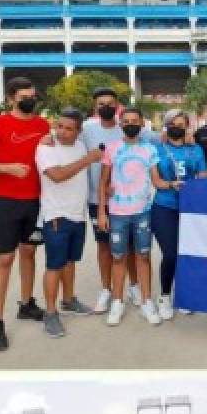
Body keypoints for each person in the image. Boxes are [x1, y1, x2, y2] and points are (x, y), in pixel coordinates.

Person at [0, 78, 50, 351]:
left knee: (29, 252)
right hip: (7, 201)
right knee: (5, 259)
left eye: (32, 95)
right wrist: (9, 168)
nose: (29, 100)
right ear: (11, 98)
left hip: (36, 201)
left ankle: (27, 303)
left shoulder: (43, 125)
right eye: (23, 96)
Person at [96, 106, 169, 327]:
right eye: (126, 120)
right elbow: (103, 182)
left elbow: (156, 180)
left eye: (134, 120)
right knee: (118, 258)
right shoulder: (112, 148)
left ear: (142, 124)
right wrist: (101, 212)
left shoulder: (149, 150)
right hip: (117, 213)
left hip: (143, 212)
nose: (130, 124)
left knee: (143, 257)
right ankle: (117, 301)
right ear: (120, 124)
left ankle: (147, 301)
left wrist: (175, 184)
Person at [36, 107, 101, 338]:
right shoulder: (45, 147)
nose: (62, 132)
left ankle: (69, 300)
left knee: (70, 261)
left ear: (78, 131)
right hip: (57, 215)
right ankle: (50, 313)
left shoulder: (81, 145)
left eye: (69, 128)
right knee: (54, 265)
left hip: (77, 214)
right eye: (59, 126)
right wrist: (88, 160)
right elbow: (58, 175)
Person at [81, 87, 140, 313]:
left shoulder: (126, 127)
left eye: (110, 103)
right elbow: (63, 136)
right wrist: (48, 137)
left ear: (117, 105)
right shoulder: (86, 129)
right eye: (101, 104)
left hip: (127, 199)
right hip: (99, 200)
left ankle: (134, 286)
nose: (106, 107)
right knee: (104, 245)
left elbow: (155, 139)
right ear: (95, 107)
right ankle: (106, 289)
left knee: (132, 245)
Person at [150, 109, 207, 321]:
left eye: (181, 124)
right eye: (172, 123)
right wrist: (171, 184)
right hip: (164, 207)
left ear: (187, 127)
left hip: (189, 210)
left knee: (186, 255)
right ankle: (164, 296)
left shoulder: (196, 150)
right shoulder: (156, 148)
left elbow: (201, 176)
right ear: (166, 126)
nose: (177, 127)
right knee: (171, 254)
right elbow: (155, 181)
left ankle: (183, 296)